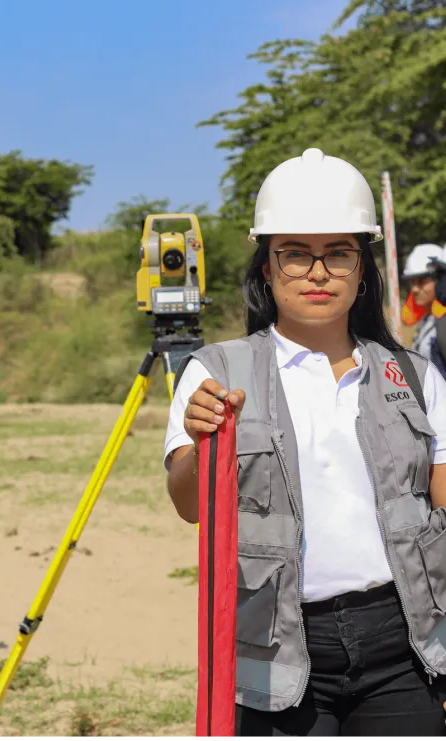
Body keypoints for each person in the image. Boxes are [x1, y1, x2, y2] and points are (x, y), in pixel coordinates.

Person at [164, 148, 446, 740]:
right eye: (294, 254)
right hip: (277, 653)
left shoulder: (416, 377)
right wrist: (200, 439)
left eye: (338, 253)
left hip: (405, 647)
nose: (317, 272)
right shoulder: (216, 372)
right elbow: (190, 505)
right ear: (266, 267)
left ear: (362, 269)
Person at [401, 242, 446, 376]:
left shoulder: (443, 323)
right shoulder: (426, 321)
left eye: (422, 281)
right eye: (412, 282)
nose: (415, 289)